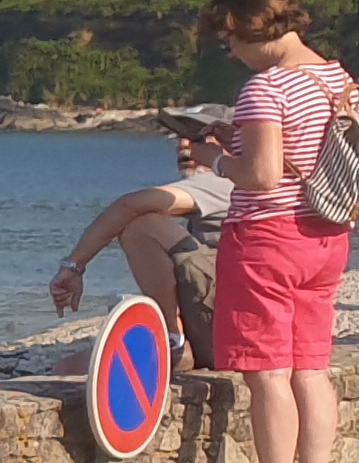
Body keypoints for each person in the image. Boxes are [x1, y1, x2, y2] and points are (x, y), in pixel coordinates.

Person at [198, 0, 359, 463]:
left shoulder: (265, 88)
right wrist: (240, 139)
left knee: (267, 370)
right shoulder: (339, 79)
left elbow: (262, 175)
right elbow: (307, 148)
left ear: (248, 30)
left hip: (267, 237)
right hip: (327, 233)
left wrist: (211, 159)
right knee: (310, 367)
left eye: (229, 40)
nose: (231, 52)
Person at [49, 107, 237, 365]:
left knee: (142, 225)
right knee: (70, 367)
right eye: (180, 137)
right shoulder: (239, 185)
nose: (183, 145)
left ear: (229, 143)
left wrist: (73, 266)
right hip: (224, 325)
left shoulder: (224, 182)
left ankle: (173, 339)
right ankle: (172, 336)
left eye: (198, 138)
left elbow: (130, 205)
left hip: (228, 331)